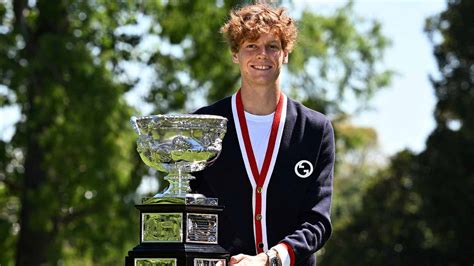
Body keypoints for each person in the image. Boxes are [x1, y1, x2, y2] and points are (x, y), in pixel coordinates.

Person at [192, 3, 335, 266]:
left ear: (286, 54)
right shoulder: (203, 126)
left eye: (272, 46)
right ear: (235, 54)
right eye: (251, 46)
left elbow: (318, 221)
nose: (262, 55)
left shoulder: (315, 129)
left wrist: (270, 259)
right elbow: (190, 207)